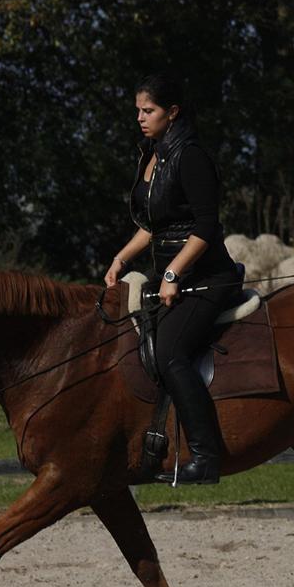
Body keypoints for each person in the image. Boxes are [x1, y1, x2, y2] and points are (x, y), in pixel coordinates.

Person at [104, 72, 241, 485]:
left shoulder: (191, 155)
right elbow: (151, 226)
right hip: (171, 279)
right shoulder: (153, 155)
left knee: (170, 355)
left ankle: (205, 457)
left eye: (149, 111)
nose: (141, 119)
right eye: (138, 111)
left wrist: (170, 272)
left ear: (173, 112)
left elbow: (205, 228)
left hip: (209, 277)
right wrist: (120, 259)